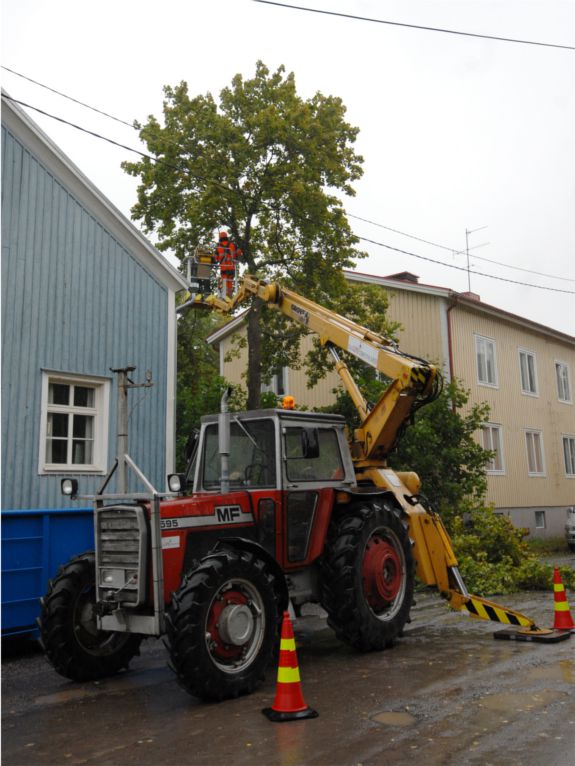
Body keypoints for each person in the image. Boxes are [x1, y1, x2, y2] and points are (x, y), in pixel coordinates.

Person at [215, 231, 240, 298]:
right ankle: (230, 297)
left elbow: (216, 258)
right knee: (230, 283)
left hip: (224, 268)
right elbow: (239, 253)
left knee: (224, 282)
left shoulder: (218, 247)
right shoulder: (233, 245)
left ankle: (225, 297)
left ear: (220, 238)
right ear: (226, 237)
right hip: (232, 267)